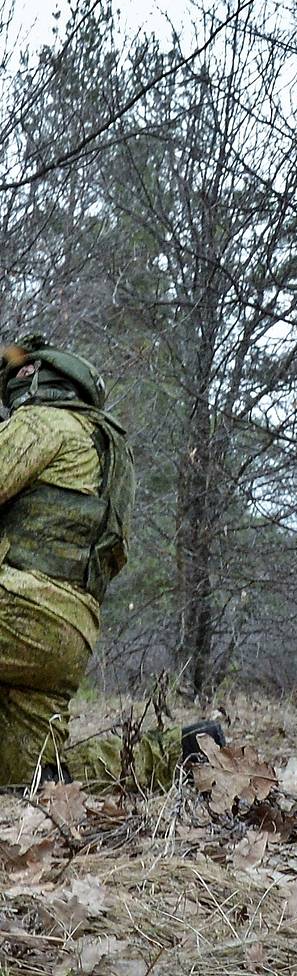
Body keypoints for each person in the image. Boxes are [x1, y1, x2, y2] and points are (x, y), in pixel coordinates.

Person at [0, 333, 218, 789]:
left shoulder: (43, 423)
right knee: (35, 779)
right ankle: (183, 752)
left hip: (17, 609)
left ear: (33, 374)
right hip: (67, 635)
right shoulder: (110, 455)